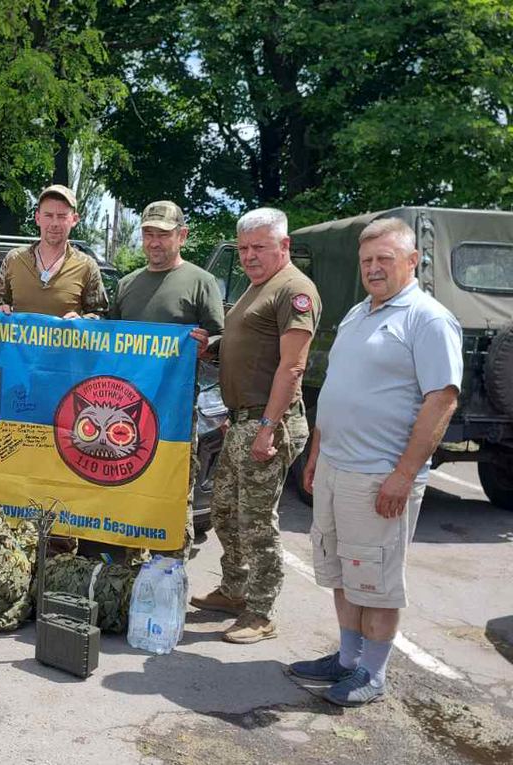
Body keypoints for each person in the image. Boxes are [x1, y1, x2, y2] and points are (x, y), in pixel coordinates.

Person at [289, 218, 461, 706]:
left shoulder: (427, 318)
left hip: (380, 476)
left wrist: (404, 475)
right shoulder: (357, 314)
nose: (373, 268)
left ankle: (373, 673)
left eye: (385, 259)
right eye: (366, 261)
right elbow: (340, 386)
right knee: (343, 572)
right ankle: (346, 660)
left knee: (377, 581)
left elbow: (442, 400)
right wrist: (318, 450)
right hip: (337, 468)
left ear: (413, 262)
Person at [190, 207, 320, 644]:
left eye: (259, 247)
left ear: (283, 246)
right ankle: (234, 589)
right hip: (242, 420)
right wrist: (211, 347)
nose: (249, 255)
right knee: (224, 513)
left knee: (257, 521)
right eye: (244, 248)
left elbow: (293, 367)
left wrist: (267, 426)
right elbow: (247, 344)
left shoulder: (295, 290)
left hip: (269, 421)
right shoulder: (257, 287)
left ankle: (261, 612)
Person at [109, 200, 224, 562]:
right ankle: (122, 569)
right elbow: (107, 339)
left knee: (173, 490)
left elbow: (221, 337)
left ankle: (169, 570)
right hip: (124, 412)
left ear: (182, 236)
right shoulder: (127, 284)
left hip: (175, 412)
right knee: (125, 486)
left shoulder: (201, 282)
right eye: (148, 234)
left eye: (163, 234)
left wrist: (207, 345)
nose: (155, 242)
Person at [0, 184, 108, 319]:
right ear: (38, 218)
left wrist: (83, 321)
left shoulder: (86, 266)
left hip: (64, 340)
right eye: (48, 215)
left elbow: (101, 315)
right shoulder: (14, 259)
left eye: (62, 216)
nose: (54, 223)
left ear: (74, 219)